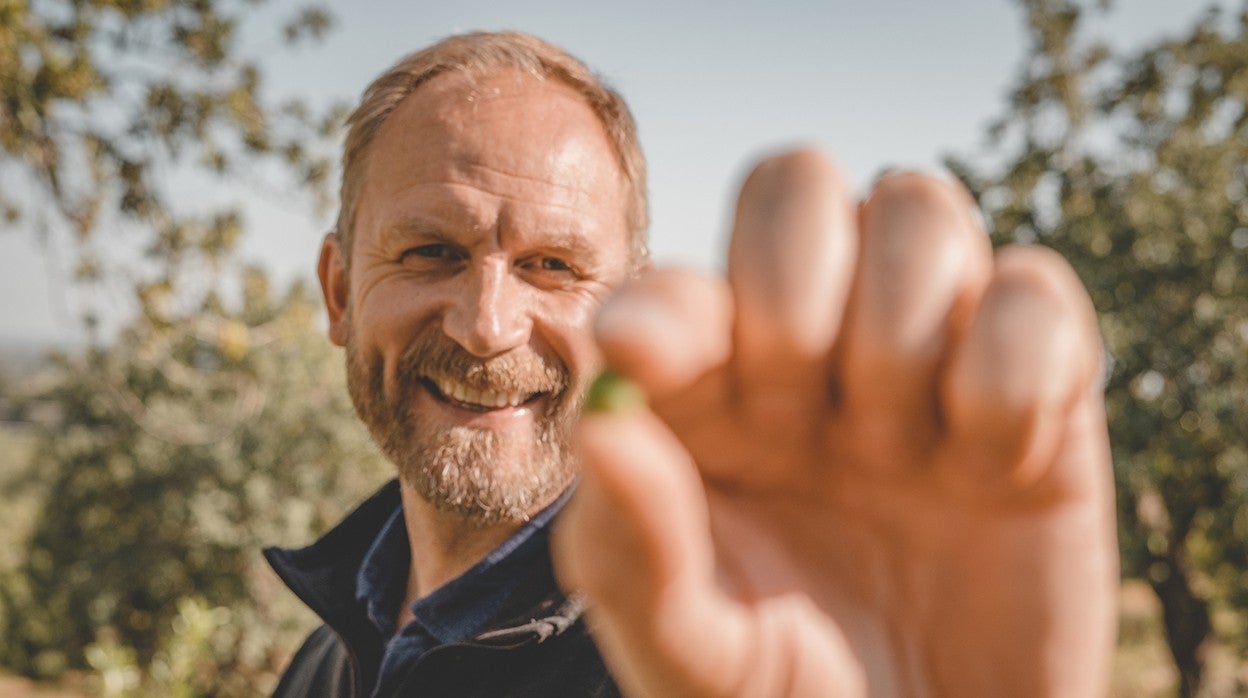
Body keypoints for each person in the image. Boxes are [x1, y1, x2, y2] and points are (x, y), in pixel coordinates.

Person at [265, 30, 1117, 697]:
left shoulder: (724, 645)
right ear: (340, 292)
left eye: (552, 265)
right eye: (429, 252)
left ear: (627, 305)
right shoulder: (327, 655)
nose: (487, 325)